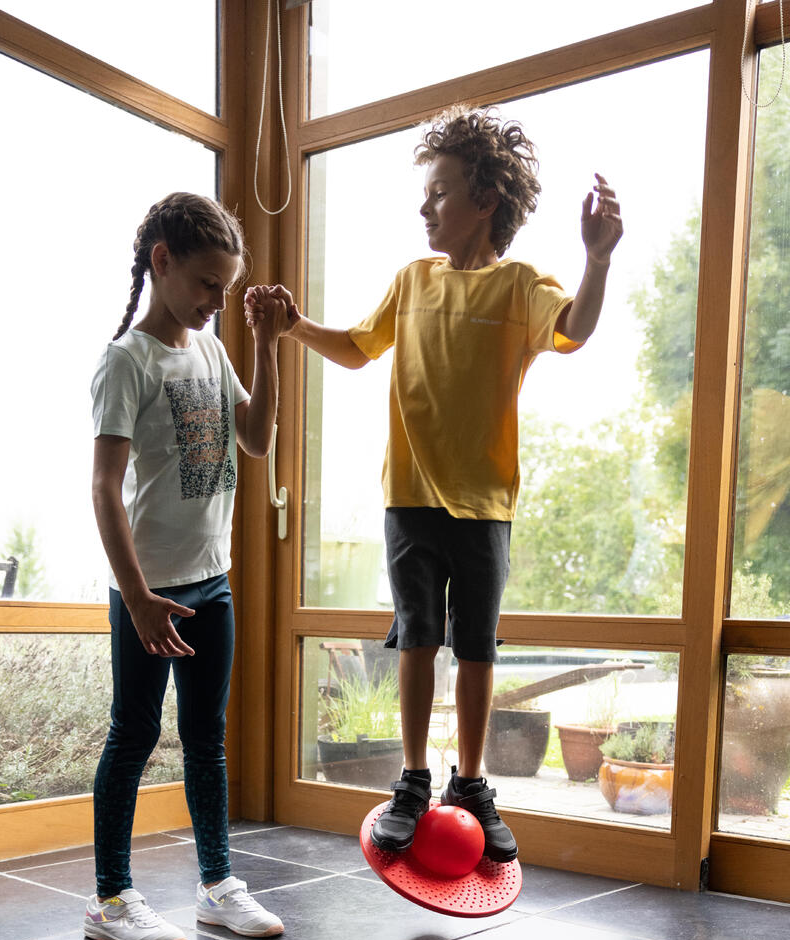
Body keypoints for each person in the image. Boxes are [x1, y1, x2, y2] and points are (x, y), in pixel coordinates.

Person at [248, 105, 623, 865]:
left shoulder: (521, 286)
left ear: (486, 201)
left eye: (442, 192)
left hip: (485, 503)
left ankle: (473, 783)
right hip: (410, 498)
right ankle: (414, 779)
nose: (426, 207)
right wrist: (292, 326)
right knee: (418, 638)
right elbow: (357, 346)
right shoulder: (411, 280)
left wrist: (599, 259)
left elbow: (574, 329)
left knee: (476, 648)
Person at [86, 192, 297, 940]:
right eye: (209, 283)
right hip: (150, 592)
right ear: (162, 262)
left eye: (228, 287)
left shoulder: (212, 349)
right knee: (135, 734)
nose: (218, 300)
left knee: (206, 738)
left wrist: (266, 343)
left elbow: (258, 439)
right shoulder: (127, 361)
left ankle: (217, 884)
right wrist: (138, 596)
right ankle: (111, 898)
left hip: (213, 580)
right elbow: (105, 486)